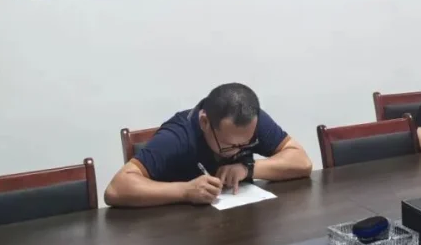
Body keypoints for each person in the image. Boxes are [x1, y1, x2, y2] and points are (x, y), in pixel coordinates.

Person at [104, 83, 313, 207]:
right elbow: (117, 188)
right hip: (180, 239)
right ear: (205, 122)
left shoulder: (249, 121)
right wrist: (185, 191)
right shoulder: (177, 136)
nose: (239, 150)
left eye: (247, 143)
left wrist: (248, 168)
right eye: (230, 146)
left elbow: (301, 161)